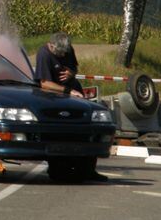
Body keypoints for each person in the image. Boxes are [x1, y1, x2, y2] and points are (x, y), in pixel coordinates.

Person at [34, 32, 107, 182]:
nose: (62, 55)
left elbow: (74, 68)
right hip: (53, 97)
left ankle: (89, 169)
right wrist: (68, 91)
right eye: (59, 53)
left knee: (87, 127)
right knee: (60, 131)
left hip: (74, 93)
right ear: (52, 46)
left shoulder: (68, 49)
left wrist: (71, 74)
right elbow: (44, 83)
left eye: (65, 52)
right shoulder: (44, 54)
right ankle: (56, 168)